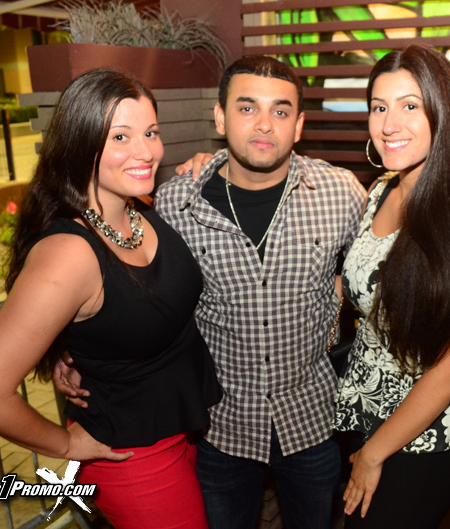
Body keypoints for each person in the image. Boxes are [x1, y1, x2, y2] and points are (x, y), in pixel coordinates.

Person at [0, 69, 222, 529]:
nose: (146, 151)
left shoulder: (138, 209)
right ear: (80, 144)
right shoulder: (69, 254)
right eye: (120, 136)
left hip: (181, 430)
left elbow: (122, 312)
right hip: (130, 457)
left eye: (151, 132)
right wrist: (64, 446)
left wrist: (70, 345)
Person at [153, 56, 365, 529]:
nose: (265, 124)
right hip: (221, 426)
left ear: (299, 125)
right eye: (247, 108)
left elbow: (373, 275)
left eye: (280, 111)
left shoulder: (340, 193)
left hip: (312, 420)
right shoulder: (176, 202)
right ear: (220, 117)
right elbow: (142, 298)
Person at [333, 44, 450, 529]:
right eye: (379, 107)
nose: (390, 124)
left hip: (424, 436)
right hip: (363, 409)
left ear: (442, 114)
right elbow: (368, 283)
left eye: (409, 106)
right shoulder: (380, 190)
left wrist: (373, 454)